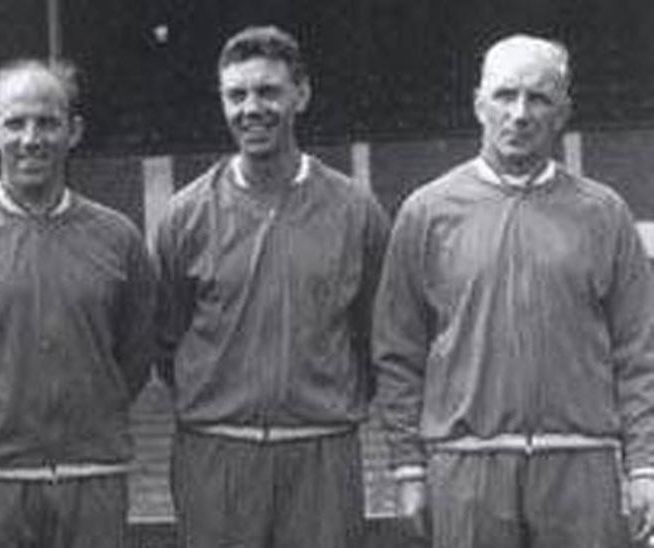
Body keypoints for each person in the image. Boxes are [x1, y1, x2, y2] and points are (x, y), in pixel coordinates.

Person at [375, 34, 654, 547]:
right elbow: (399, 353)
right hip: (467, 466)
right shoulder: (426, 212)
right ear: (479, 103)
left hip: (580, 462)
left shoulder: (604, 213)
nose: (520, 113)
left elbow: (640, 351)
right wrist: (407, 469)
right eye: (505, 95)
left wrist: (645, 467)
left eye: (539, 97)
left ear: (564, 111)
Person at [0, 58, 156, 547]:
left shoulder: (118, 237)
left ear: (74, 130)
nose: (31, 138)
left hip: (91, 479)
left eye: (47, 122)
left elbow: (135, 356)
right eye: (16, 123)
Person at [152, 26, 388, 548]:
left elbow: (373, 338)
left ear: (300, 95)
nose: (251, 108)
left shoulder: (355, 211)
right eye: (236, 95)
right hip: (217, 452)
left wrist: (316, 400)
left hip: (321, 452)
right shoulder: (186, 215)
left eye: (268, 92)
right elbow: (167, 342)